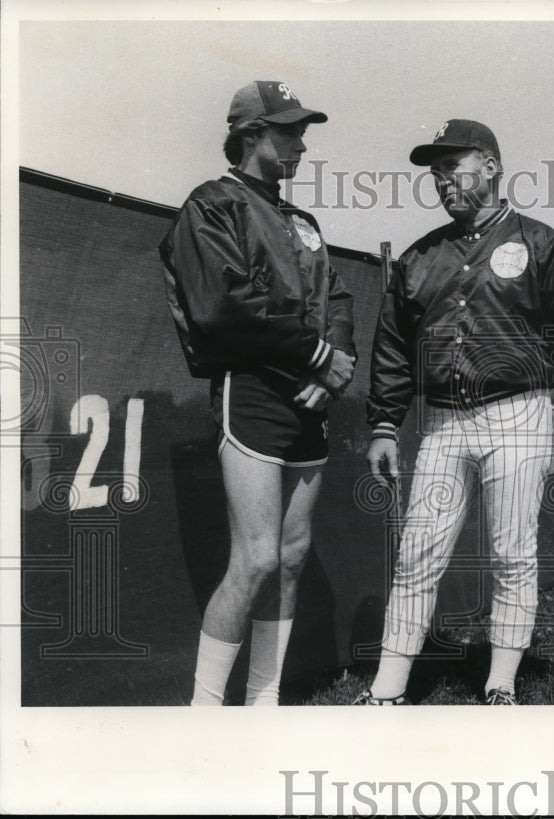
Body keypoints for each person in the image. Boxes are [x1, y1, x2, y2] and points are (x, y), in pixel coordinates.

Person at [358, 119, 554, 705]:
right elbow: (392, 346)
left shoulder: (538, 240)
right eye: (435, 171)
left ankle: (501, 683)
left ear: (492, 166)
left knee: (512, 551)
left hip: (518, 413)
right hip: (443, 421)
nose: (441, 179)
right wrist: (384, 422)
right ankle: (386, 690)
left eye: (452, 166)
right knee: (417, 552)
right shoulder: (420, 256)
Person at [160, 80, 356, 705]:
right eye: (290, 131)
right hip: (251, 392)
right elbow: (223, 305)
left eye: (304, 132)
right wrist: (318, 357)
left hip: (308, 400)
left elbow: (340, 298)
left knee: (293, 555)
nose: (301, 144)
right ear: (251, 135)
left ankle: (263, 701)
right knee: (256, 559)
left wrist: (335, 364)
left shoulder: (303, 220)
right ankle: (204, 711)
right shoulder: (212, 204)